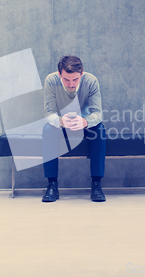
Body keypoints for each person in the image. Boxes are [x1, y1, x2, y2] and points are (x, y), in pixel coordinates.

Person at [41, 55, 106, 203]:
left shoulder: (91, 81)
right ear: (59, 75)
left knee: (100, 130)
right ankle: (52, 185)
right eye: (66, 79)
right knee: (47, 130)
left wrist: (84, 121)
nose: (71, 84)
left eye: (75, 79)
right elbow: (48, 113)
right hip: (61, 124)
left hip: (84, 124)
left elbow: (98, 113)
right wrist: (61, 121)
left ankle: (96, 184)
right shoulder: (51, 80)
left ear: (81, 73)